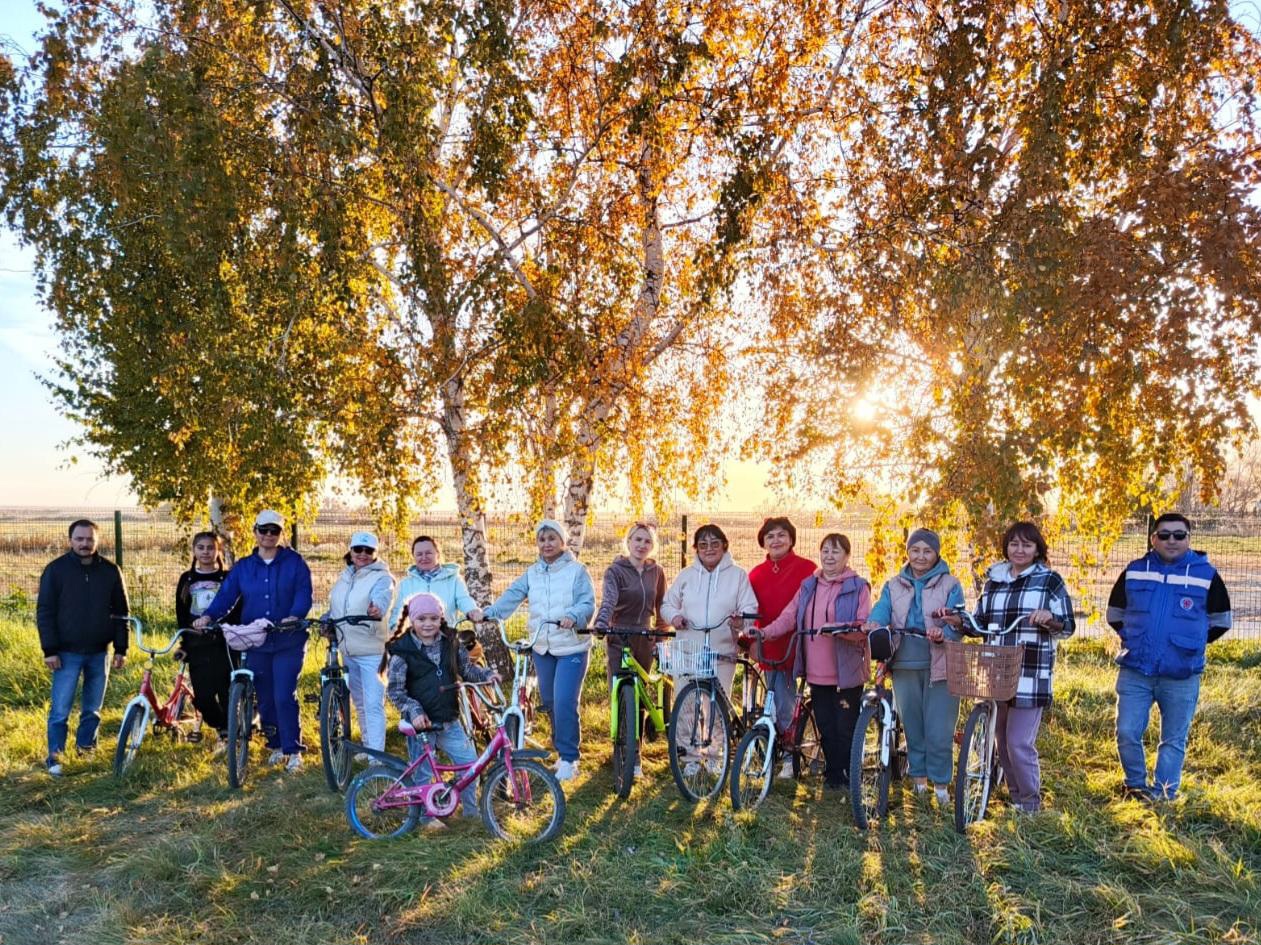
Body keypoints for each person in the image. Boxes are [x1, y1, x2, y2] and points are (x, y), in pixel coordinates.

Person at [937, 521, 1075, 813]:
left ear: (1037, 549)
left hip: (1030, 670)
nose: (1020, 550)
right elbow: (980, 623)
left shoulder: (1050, 581)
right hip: (996, 669)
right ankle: (1016, 797)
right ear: (1006, 548)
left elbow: (1067, 626)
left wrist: (1048, 618)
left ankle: (1031, 803)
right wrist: (960, 622)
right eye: (1014, 544)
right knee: (1000, 739)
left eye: (1027, 544)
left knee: (1019, 743)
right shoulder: (994, 580)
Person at [1107, 513, 1232, 801]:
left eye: (1179, 535)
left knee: (1173, 739)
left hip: (1182, 674)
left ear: (1189, 538)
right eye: (1164, 535)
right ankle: (1135, 786)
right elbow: (1114, 614)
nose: (1171, 541)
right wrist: (1134, 639)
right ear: (1153, 539)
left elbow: (1221, 620)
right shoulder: (1135, 570)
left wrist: (1191, 645)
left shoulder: (1206, 575)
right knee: (1126, 731)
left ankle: (1163, 795)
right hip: (1136, 669)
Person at [194, 510, 313, 772]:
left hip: (287, 640)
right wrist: (208, 616)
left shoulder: (295, 563)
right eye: (264, 530)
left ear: (281, 535)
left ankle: (293, 750)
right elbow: (226, 596)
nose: (269, 535)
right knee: (266, 697)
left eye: (274, 531)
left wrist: (295, 616)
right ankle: (276, 745)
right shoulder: (244, 567)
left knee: (283, 694)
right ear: (255, 532)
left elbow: (304, 594)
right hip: (256, 641)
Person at [482, 519, 595, 782]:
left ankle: (569, 758)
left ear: (562, 541)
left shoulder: (577, 571)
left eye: (552, 539)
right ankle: (561, 750)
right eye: (542, 540)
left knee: (565, 701)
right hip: (542, 647)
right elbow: (513, 594)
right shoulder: (532, 572)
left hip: (571, 647)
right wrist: (490, 613)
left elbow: (587, 603)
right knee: (552, 702)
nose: (547, 544)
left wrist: (573, 615)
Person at [760, 533, 871, 790]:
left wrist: (838, 629)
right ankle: (833, 776)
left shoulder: (858, 586)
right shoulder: (809, 585)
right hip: (817, 669)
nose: (829, 556)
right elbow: (790, 615)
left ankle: (847, 774)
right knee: (826, 725)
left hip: (846, 671)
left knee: (845, 726)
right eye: (826, 551)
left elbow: (863, 625)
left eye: (836, 551)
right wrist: (766, 632)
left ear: (847, 556)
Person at [864, 528, 965, 804]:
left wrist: (944, 633)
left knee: (939, 730)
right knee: (913, 727)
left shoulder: (950, 584)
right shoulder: (894, 584)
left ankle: (942, 788)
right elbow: (883, 608)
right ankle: (919, 785)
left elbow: (959, 621)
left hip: (942, 664)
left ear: (936, 554)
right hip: (905, 661)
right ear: (907, 552)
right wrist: (875, 621)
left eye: (927, 551)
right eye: (915, 550)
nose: (920, 556)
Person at [382, 593, 500, 826]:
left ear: (441, 619)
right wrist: (414, 711)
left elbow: (467, 670)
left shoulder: (451, 642)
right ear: (412, 621)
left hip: (448, 718)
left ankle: (471, 812)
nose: (428, 624)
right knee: (424, 772)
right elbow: (395, 691)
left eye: (434, 618)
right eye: (422, 619)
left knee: (469, 763)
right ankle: (427, 817)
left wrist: (487, 675)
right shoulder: (402, 651)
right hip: (420, 724)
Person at [36, 519, 130, 776]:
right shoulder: (55, 571)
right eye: (80, 539)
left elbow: (122, 613)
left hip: (100, 652)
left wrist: (121, 648)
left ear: (97, 541)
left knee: (92, 709)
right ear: (70, 540)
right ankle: (55, 756)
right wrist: (50, 650)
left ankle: (86, 750)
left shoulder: (111, 571)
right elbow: (45, 612)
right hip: (65, 654)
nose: (85, 543)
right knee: (60, 710)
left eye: (89, 539)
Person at [748, 516, 817, 777]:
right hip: (767, 643)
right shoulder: (755, 574)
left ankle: (790, 757)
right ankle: (775, 750)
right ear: (763, 542)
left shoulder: (807, 569)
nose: (776, 540)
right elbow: (751, 609)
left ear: (791, 539)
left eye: (781, 535)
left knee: (788, 699)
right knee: (771, 700)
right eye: (770, 536)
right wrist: (752, 639)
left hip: (797, 643)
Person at [661, 523, 759, 699]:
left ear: (724, 546)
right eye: (703, 545)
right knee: (686, 710)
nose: (709, 549)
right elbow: (666, 605)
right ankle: (686, 728)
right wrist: (674, 617)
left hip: (722, 655)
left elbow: (750, 607)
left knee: (717, 710)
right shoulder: (686, 575)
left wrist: (741, 621)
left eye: (715, 543)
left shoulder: (738, 575)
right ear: (696, 549)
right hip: (687, 653)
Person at [325, 531, 395, 755]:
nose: (363, 555)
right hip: (348, 650)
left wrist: (377, 609)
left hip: (373, 651)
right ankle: (368, 747)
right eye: (358, 550)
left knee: (373, 704)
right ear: (351, 551)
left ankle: (377, 757)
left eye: (369, 551)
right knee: (361, 703)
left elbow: (383, 597)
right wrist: (327, 619)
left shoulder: (382, 577)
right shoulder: (345, 576)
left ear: (375, 554)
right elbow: (339, 606)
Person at [174, 532, 241, 751]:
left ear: (218, 551)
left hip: (224, 644)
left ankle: (229, 736)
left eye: (210, 548)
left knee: (225, 691)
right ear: (194, 550)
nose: (205, 552)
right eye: (200, 548)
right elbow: (182, 613)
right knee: (202, 697)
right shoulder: (187, 579)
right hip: (197, 645)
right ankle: (223, 726)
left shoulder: (227, 578)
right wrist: (184, 644)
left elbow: (236, 609)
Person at [388, 535, 484, 629]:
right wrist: (394, 628)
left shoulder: (454, 580)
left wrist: (472, 611)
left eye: (428, 553)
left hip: (445, 636)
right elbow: (397, 611)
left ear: (437, 553)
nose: (424, 557)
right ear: (413, 556)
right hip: (414, 640)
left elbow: (463, 599)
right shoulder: (406, 584)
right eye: (419, 554)